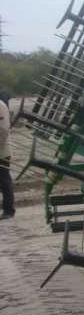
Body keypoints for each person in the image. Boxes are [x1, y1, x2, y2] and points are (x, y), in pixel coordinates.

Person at [0, 91, 14, 220]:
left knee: (4, 181)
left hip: (2, 151)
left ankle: (8, 210)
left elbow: (4, 130)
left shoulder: (1, 106)